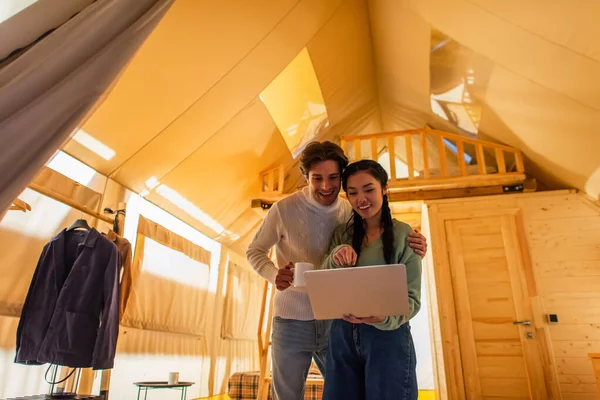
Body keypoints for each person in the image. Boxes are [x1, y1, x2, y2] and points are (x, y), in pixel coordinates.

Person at [246, 141, 427, 400]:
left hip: (336, 321)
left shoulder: (349, 213)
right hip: (294, 318)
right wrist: (275, 275)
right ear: (306, 176)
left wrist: (417, 245)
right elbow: (256, 251)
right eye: (317, 178)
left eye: (333, 178)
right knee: (288, 395)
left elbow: (388, 266)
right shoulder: (285, 210)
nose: (326, 186)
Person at [321, 159, 421, 400]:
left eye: (369, 189)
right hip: (342, 334)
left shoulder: (405, 235)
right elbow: (321, 278)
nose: (361, 199)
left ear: (384, 189)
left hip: (388, 336)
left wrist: (385, 317)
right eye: (353, 193)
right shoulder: (342, 233)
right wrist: (335, 257)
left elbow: (413, 299)